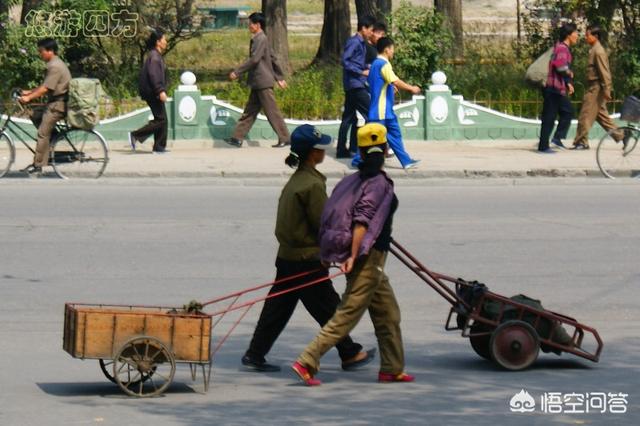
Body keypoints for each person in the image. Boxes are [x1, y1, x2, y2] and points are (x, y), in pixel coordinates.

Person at [241, 124, 375, 372]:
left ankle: (255, 353)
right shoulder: (312, 185)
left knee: (278, 307)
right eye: (320, 148)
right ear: (313, 153)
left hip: (287, 256)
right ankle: (349, 352)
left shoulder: (298, 179)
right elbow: (324, 225)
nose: (324, 151)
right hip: (305, 258)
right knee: (327, 306)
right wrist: (343, 249)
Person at [292, 122, 413, 386]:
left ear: (361, 149)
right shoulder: (378, 183)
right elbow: (361, 222)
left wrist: (331, 251)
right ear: (384, 149)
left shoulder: (351, 180)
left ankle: (392, 368)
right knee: (348, 313)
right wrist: (352, 255)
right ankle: (307, 361)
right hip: (366, 259)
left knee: (388, 313)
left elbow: (331, 216)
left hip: (374, 258)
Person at [352, 37, 421, 170]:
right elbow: (395, 80)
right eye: (392, 49)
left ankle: (406, 161)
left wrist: (390, 89)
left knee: (394, 136)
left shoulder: (375, 65)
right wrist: (411, 88)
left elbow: (379, 84)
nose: (393, 52)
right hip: (380, 112)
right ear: (386, 49)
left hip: (385, 111)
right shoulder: (383, 64)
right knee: (371, 137)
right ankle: (357, 160)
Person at [225, 12, 290, 149]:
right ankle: (237, 138)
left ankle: (285, 138)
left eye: (250, 24)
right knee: (249, 111)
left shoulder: (260, 39)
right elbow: (272, 58)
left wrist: (237, 72)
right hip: (258, 81)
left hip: (262, 81)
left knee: (272, 111)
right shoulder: (261, 38)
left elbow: (254, 60)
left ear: (257, 25)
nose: (249, 26)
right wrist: (279, 77)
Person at [18, 38, 71, 174]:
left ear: (50, 51)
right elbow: (45, 86)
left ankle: (38, 165)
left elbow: (46, 88)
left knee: (42, 133)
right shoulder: (55, 63)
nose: (40, 54)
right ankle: (53, 139)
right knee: (35, 114)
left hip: (58, 105)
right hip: (55, 102)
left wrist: (29, 97)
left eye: (41, 51)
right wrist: (29, 91)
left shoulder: (55, 66)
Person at [572, 25, 624, 150]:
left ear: (595, 36)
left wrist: (607, 90)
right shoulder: (593, 49)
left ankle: (581, 141)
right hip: (594, 86)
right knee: (602, 117)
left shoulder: (598, 51)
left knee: (585, 114)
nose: (586, 37)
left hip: (596, 88)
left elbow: (604, 72)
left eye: (588, 35)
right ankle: (622, 135)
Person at [336, 15, 375, 159]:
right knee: (371, 114)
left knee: (348, 118)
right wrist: (361, 71)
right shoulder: (354, 42)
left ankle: (342, 149)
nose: (371, 33)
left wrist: (368, 67)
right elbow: (345, 61)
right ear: (363, 28)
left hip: (354, 84)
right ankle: (369, 147)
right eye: (370, 30)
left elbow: (357, 62)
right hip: (356, 85)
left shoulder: (362, 43)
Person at [537, 22, 578, 153]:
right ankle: (545, 145)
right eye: (575, 33)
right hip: (553, 88)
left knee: (566, 112)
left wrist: (567, 82)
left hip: (556, 88)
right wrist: (569, 73)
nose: (577, 36)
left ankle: (556, 138)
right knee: (553, 116)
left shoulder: (560, 47)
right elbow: (560, 66)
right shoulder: (562, 48)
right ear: (568, 35)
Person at [129, 29, 169, 154]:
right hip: (153, 92)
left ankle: (159, 147)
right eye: (164, 39)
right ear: (158, 42)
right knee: (161, 119)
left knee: (162, 119)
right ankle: (136, 135)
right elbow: (153, 75)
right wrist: (160, 90)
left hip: (153, 91)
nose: (166, 42)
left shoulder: (155, 55)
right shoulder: (154, 57)